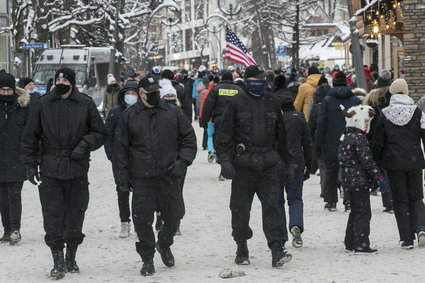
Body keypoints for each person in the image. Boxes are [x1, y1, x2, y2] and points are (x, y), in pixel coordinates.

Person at [21, 67, 108, 279]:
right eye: (58, 79)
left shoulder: (85, 103)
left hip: (77, 168)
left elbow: (100, 132)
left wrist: (84, 144)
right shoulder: (42, 104)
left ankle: (71, 255)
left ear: (72, 82)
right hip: (50, 168)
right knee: (52, 214)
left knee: (76, 214)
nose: (61, 82)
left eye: (65, 79)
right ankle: (57, 259)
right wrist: (30, 164)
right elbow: (30, 136)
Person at [113, 76, 197, 276]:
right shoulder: (130, 116)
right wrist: (122, 179)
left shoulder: (173, 112)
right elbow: (121, 150)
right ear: (141, 93)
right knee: (142, 220)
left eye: (156, 90)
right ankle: (147, 257)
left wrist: (182, 161)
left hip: (169, 174)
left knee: (174, 216)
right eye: (150, 91)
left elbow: (188, 138)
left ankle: (164, 243)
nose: (154, 94)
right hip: (142, 176)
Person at [216, 65, 292, 268]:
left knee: (273, 207)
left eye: (263, 81)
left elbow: (281, 135)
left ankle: (277, 248)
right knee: (240, 209)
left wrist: (288, 163)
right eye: (256, 81)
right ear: (248, 81)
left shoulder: (272, 101)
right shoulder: (236, 103)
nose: (260, 85)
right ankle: (241, 245)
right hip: (243, 165)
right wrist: (224, 161)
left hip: (269, 163)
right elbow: (223, 135)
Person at [373, 79, 425, 249]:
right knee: (417, 197)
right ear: (407, 91)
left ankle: (406, 238)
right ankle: (421, 228)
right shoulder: (417, 112)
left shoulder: (385, 113)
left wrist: (377, 161)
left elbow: (378, 141)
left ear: (393, 93)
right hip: (415, 161)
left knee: (400, 200)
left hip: (394, 163)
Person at [338, 105, 386, 253]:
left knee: (355, 211)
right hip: (359, 180)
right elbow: (367, 161)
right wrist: (378, 176)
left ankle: (350, 242)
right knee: (363, 212)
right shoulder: (359, 138)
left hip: (349, 181)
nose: (366, 124)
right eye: (365, 121)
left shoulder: (346, 136)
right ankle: (361, 243)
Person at [315, 71, 361, 211]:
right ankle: (348, 201)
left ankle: (331, 201)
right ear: (346, 83)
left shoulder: (327, 101)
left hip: (331, 142)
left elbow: (321, 123)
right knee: (349, 171)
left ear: (333, 84)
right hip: (351, 141)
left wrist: (317, 143)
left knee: (331, 172)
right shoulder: (356, 101)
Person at [104, 81, 139, 238]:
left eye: (134, 94)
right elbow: (108, 136)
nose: (130, 97)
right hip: (120, 160)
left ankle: (140, 223)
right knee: (122, 191)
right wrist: (112, 156)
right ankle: (125, 222)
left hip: (140, 159)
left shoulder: (142, 111)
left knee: (140, 193)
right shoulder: (115, 112)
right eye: (128, 94)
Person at [277, 96, 312, 249]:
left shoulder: (276, 119)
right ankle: (296, 225)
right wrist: (310, 164)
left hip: (277, 163)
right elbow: (307, 142)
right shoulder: (299, 118)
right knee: (295, 198)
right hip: (296, 161)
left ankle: (279, 234)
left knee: (277, 201)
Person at [0, 73, 30, 245]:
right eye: (2, 89)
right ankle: (6, 229)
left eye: (8, 89)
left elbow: (30, 132)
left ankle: (15, 229)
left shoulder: (23, 108)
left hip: (17, 157)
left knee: (14, 194)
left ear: (14, 89)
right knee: (2, 197)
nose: (5, 93)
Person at [363, 70, 394, 212]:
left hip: (374, 137)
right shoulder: (394, 97)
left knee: (381, 170)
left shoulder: (371, 99)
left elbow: (366, 119)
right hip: (393, 136)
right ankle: (394, 199)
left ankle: (387, 200)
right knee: (393, 169)